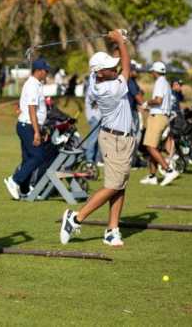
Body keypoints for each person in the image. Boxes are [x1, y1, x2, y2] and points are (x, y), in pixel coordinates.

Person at [60, 30, 135, 247]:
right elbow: (127, 69)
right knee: (113, 186)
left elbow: (119, 64)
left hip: (121, 139)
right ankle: (75, 218)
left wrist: (119, 43)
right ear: (101, 73)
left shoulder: (97, 78)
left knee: (120, 185)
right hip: (115, 140)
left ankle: (112, 230)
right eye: (110, 67)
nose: (115, 68)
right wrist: (120, 41)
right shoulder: (110, 89)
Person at [3, 58, 50, 200]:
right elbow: (31, 110)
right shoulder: (32, 85)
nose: (47, 73)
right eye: (46, 71)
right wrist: (36, 132)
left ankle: (23, 189)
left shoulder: (37, 84)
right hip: (28, 126)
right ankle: (14, 180)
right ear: (39, 71)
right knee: (39, 156)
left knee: (28, 158)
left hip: (29, 125)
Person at [139, 62, 179, 187]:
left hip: (158, 117)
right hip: (162, 116)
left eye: (152, 71)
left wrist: (147, 103)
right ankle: (152, 176)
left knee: (150, 147)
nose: (151, 73)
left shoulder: (159, 82)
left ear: (155, 72)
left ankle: (169, 170)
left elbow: (158, 100)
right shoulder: (165, 82)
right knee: (152, 147)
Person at [83, 85, 102, 166]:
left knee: (99, 139)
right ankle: (89, 160)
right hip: (94, 116)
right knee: (93, 139)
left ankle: (96, 160)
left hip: (100, 117)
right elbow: (94, 101)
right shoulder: (92, 86)